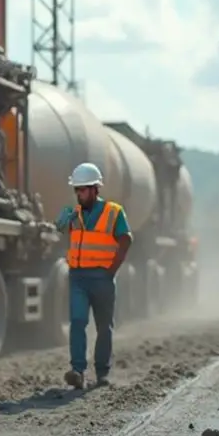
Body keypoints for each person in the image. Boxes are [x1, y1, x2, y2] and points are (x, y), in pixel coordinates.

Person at [57, 163, 132, 389]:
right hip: (78, 276)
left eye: (82, 190)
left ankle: (102, 373)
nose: (79, 194)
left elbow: (126, 239)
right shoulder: (74, 215)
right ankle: (78, 370)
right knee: (78, 322)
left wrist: (112, 270)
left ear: (94, 189)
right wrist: (61, 222)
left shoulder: (114, 212)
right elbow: (60, 230)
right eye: (76, 190)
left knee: (103, 326)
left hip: (102, 278)